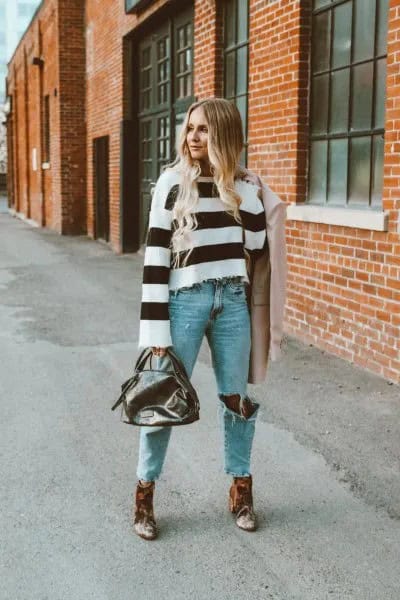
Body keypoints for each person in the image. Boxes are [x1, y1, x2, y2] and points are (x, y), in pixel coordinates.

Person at [134, 97, 286, 541]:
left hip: (232, 300)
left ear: (223, 135)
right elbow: (155, 258)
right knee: (162, 399)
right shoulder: (170, 183)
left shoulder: (240, 185)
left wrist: (249, 189)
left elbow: (256, 242)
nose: (193, 137)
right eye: (190, 128)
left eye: (203, 130)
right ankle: (144, 494)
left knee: (236, 400)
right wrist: (154, 332)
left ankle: (241, 490)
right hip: (184, 301)